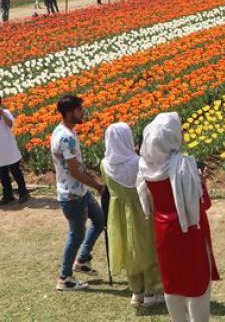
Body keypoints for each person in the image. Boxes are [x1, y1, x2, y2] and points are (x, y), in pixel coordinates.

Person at [138, 113, 220, 322]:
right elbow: (203, 204)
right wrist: (201, 182)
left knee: (172, 281)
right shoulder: (183, 165)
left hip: (162, 229)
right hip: (188, 229)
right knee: (197, 283)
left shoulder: (146, 166)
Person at [101, 123, 163, 308]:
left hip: (117, 212)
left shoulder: (104, 164)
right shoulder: (137, 162)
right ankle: (152, 292)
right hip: (141, 209)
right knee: (148, 247)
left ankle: (137, 291)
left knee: (129, 250)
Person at [51, 94, 105, 291]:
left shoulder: (65, 131)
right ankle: (64, 278)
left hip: (80, 191)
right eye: (79, 109)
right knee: (76, 235)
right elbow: (74, 171)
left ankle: (82, 260)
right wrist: (98, 186)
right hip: (72, 195)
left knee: (100, 220)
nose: (82, 112)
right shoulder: (65, 137)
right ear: (69, 112)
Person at [0, 93, 30, 204]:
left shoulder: (6, 113)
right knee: (3, 174)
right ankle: (8, 195)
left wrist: (2, 113)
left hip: (9, 147)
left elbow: (10, 125)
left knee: (16, 171)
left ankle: (23, 192)